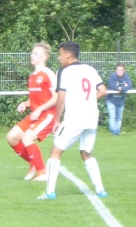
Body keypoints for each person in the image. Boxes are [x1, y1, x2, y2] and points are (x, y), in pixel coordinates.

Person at [38, 42, 107, 200]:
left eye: (60, 54)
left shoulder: (63, 71)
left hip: (75, 117)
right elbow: (103, 91)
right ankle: (101, 190)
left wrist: (57, 120)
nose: (59, 58)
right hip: (91, 116)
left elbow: (61, 99)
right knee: (86, 153)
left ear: (68, 55)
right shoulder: (90, 69)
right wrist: (88, 101)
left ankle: (50, 193)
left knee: (55, 152)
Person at [5, 43, 57, 181]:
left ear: (44, 57)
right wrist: (25, 104)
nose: (32, 55)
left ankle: (42, 173)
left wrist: (39, 109)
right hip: (35, 115)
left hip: (47, 116)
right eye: (32, 53)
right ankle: (34, 163)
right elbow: (35, 99)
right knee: (11, 137)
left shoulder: (48, 74)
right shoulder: (32, 76)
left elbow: (56, 97)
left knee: (27, 137)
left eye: (35, 53)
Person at [105, 63, 132, 135]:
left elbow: (129, 86)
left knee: (119, 118)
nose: (119, 72)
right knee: (112, 117)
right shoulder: (113, 77)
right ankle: (115, 132)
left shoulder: (126, 76)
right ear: (116, 70)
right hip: (111, 100)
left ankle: (117, 131)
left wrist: (121, 89)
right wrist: (123, 87)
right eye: (118, 70)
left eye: (121, 70)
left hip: (121, 101)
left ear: (124, 71)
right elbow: (113, 86)